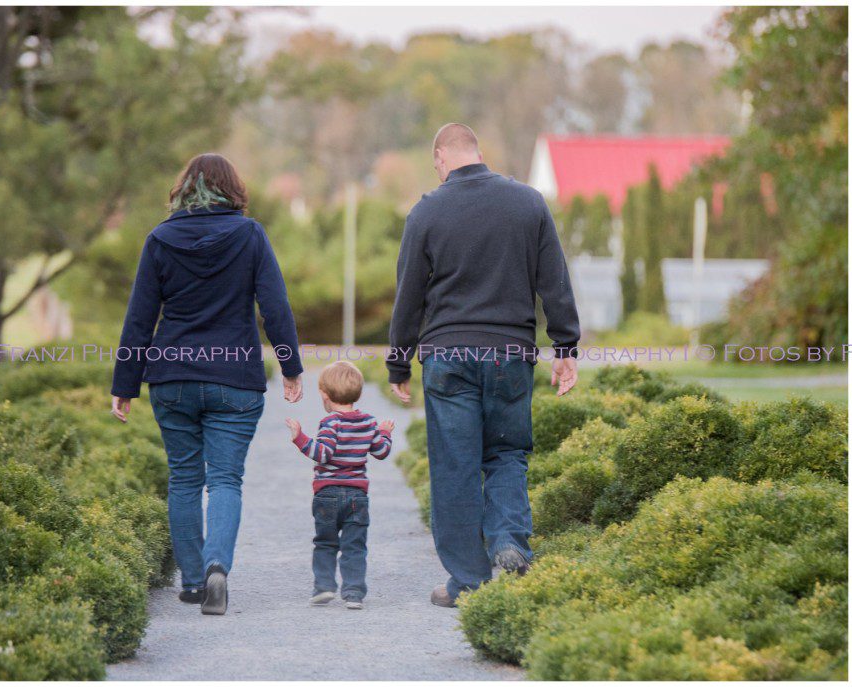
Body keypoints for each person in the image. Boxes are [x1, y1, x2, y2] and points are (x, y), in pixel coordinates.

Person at [386, 123, 580, 608]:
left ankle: (468, 581)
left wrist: (397, 363)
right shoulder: (529, 203)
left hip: (449, 355)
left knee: (455, 467)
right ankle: (510, 542)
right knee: (507, 453)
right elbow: (554, 280)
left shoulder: (427, 211)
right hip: (510, 353)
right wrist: (566, 348)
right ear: (477, 151)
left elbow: (408, 294)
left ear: (441, 156)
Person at [110, 153, 304, 616]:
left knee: (184, 478)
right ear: (231, 189)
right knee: (224, 479)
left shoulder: (160, 239)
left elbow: (140, 319)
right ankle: (218, 567)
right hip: (234, 377)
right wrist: (291, 367)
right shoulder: (250, 235)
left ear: (184, 189)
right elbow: (274, 307)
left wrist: (125, 383)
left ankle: (194, 581)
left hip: (172, 376)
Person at [285, 361, 394, 610]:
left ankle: (324, 587)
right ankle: (354, 593)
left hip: (327, 494)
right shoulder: (368, 421)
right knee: (354, 545)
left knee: (325, 543)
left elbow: (322, 453)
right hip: (358, 496)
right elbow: (381, 451)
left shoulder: (330, 423)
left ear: (324, 394)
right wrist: (385, 432)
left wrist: (299, 437)